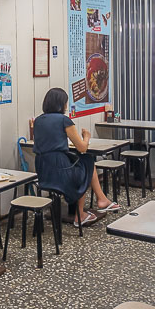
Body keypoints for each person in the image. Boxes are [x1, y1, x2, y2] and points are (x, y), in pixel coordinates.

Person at [33, 87, 120, 226]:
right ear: (61, 104)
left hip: (43, 170)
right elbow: (82, 147)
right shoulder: (64, 120)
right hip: (60, 168)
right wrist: (86, 136)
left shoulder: (37, 121)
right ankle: (81, 214)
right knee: (86, 163)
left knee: (84, 162)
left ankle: (101, 199)